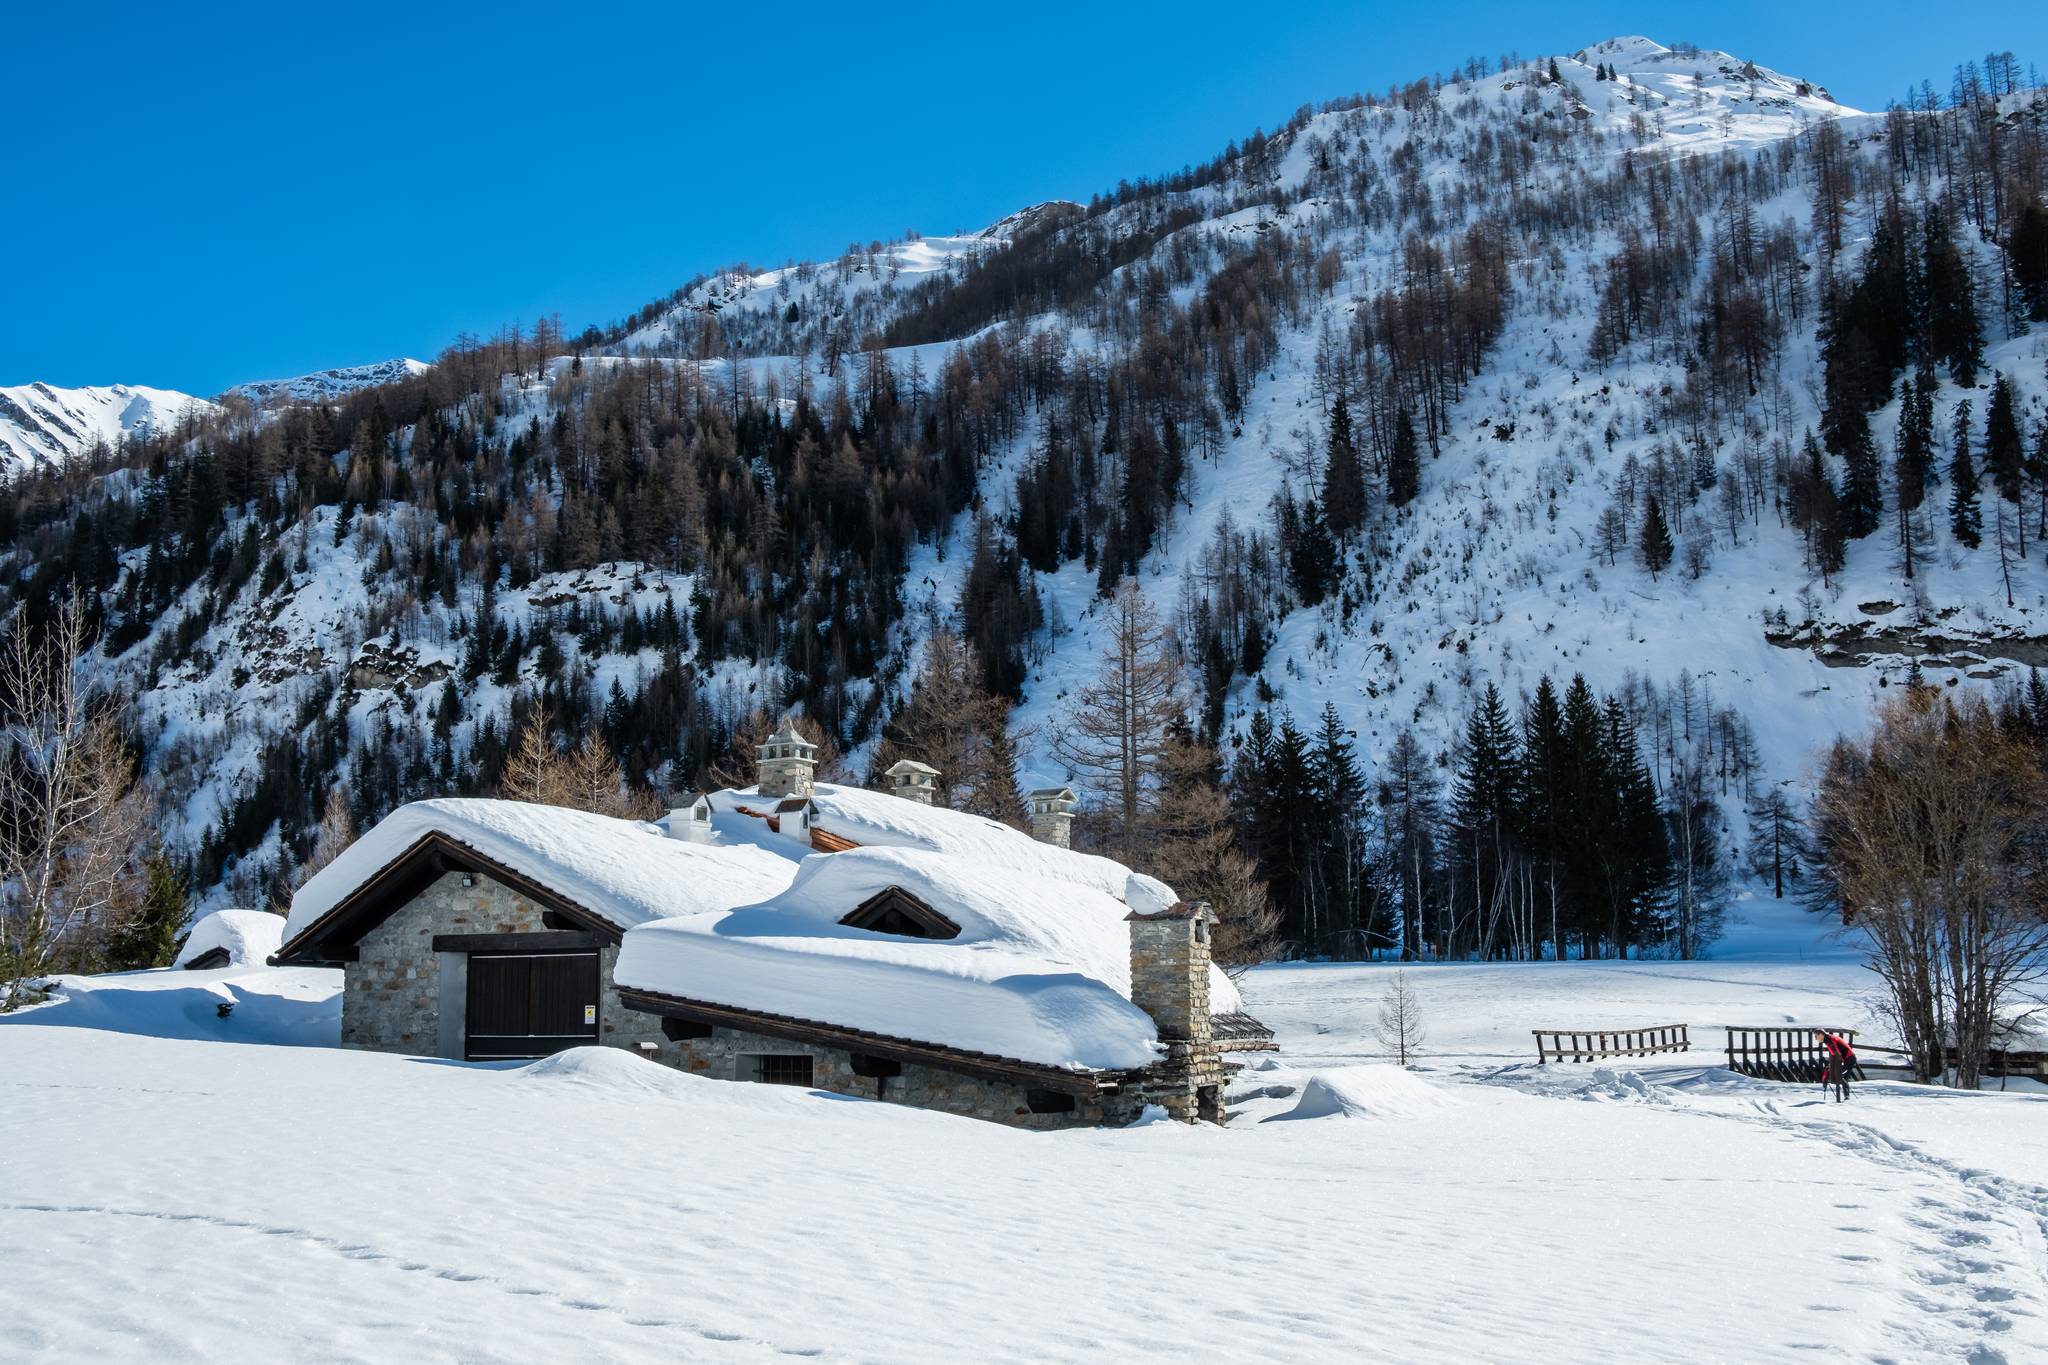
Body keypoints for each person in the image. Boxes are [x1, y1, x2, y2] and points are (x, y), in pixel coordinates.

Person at [1817, 1030, 1855, 1102]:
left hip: (1849, 1058)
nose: (1815, 1038)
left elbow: (1837, 1053)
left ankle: (1846, 1096)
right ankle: (1846, 1096)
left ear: (1821, 1034)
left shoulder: (1830, 1040)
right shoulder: (1828, 1040)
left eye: (1816, 1036)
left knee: (1842, 1076)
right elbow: (1834, 1054)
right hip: (1845, 1059)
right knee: (1840, 1075)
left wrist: (1836, 1063)